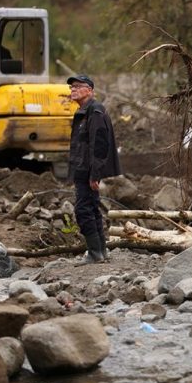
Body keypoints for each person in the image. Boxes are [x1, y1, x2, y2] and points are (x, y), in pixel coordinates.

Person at [67, 74, 121, 263]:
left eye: (77, 86)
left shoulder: (94, 111)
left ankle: (94, 252)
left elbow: (99, 144)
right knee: (92, 208)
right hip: (82, 170)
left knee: (83, 210)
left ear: (89, 90)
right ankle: (101, 251)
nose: (73, 90)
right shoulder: (83, 111)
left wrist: (95, 175)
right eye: (71, 87)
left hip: (88, 171)